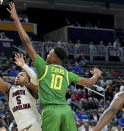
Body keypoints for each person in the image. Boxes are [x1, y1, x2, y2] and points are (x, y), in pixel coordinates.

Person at [7, 2, 102, 131]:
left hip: (51, 111)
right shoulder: (68, 74)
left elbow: (26, 41)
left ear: (55, 57)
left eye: (49, 53)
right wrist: (96, 74)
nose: (47, 55)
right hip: (66, 112)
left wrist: (16, 19)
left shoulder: (43, 67)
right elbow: (90, 83)